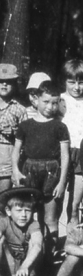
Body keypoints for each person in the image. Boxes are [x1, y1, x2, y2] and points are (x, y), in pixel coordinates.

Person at [12, 81, 70, 254]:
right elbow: (16, 150)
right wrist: (15, 169)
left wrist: (62, 182)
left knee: (50, 217)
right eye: (46, 102)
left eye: (55, 102)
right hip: (29, 170)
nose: (50, 107)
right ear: (36, 100)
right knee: (30, 214)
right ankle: (31, 253)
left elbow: (65, 155)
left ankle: (49, 256)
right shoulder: (26, 125)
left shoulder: (60, 126)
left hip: (52, 172)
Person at [60, 59, 83, 226]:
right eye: (72, 82)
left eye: (81, 83)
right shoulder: (59, 101)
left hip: (82, 153)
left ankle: (71, 238)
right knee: (57, 197)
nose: (76, 87)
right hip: (62, 152)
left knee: (75, 203)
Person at [0, 187, 43, 276]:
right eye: (18, 211)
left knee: (34, 242)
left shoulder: (33, 224)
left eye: (27, 211)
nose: (23, 215)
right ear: (8, 211)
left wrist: (25, 266)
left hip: (28, 262)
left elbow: (37, 246)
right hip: (12, 258)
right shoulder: (4, 221)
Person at [0, 64, 27, 194]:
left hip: (7, 158)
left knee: (2, 198)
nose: (4, 85)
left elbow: (26, 137)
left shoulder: (19, 109)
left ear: (15, 84)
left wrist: (13, 132)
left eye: (8, 82)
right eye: (0, 81)